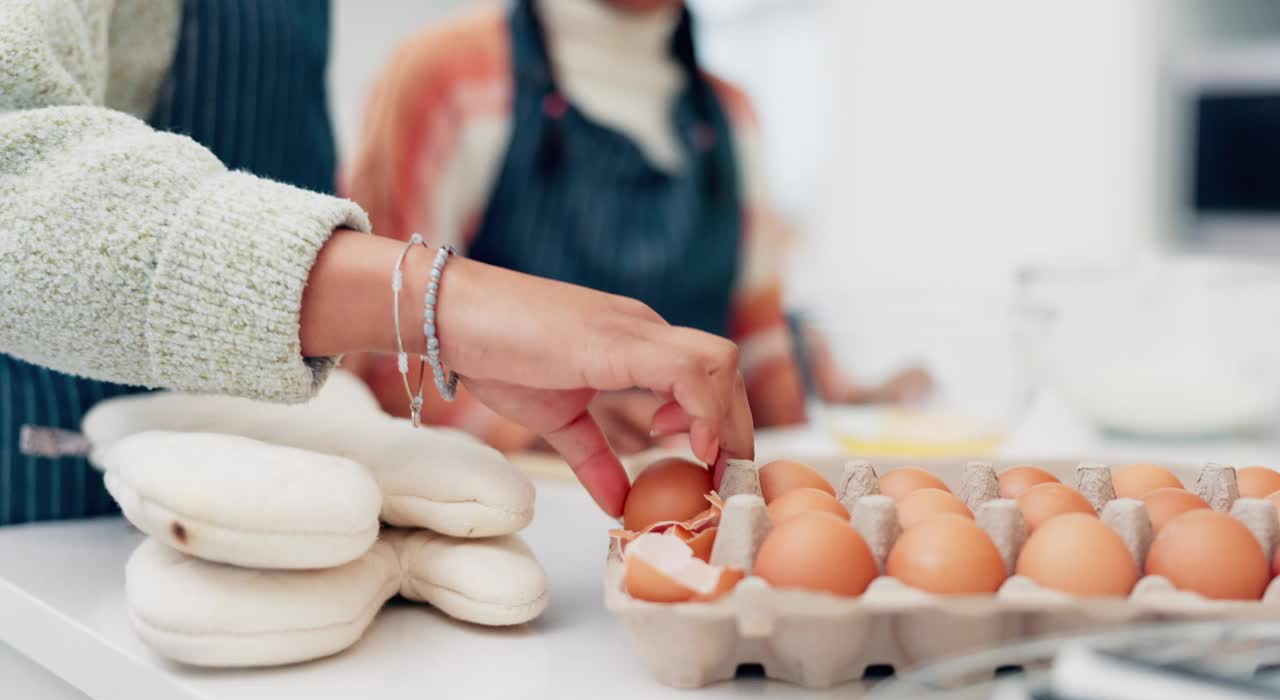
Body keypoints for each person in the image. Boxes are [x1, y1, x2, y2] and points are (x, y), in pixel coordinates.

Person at [0, 0, 752, 527]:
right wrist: (444, 305)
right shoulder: (453, 73)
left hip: (292, 489)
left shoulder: (729, 111)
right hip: (52, 516)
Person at [343, 0, 930, 455]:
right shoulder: (447, 81)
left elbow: (761, 348)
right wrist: (532, 424)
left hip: (693, 519)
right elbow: (379, 351)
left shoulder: (733, 118)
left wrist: (854, 407)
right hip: (507, 525)